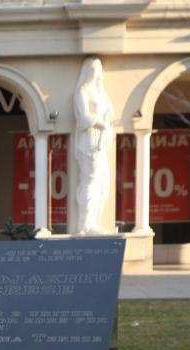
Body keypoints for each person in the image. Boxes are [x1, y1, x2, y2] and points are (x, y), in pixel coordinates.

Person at [74, 57, 115, 235]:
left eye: (97, 69)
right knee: (90, 180)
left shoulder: (101, 93)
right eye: (91, 68)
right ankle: (85, 224)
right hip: (89, 141)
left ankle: (94, 222)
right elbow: (83, 119)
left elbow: (109, 113)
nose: (94, 72)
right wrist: (101, 123)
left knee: (102, 181)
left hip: (101, 142)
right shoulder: (82, 92)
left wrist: (107, 121)